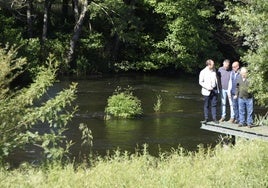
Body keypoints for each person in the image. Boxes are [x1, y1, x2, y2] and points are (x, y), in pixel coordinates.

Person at [199, 59, 219, 123]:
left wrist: (217, 89)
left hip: (214, 90)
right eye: (213, 64)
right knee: (206, 105)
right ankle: (206, 118)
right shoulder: (203, 72)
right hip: (206, 91)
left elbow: (216, 80)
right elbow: (200, 82)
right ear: (209, 65)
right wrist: (207, 87)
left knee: (214, 105)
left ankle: (214, 118)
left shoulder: (214, 70)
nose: (214, 65)